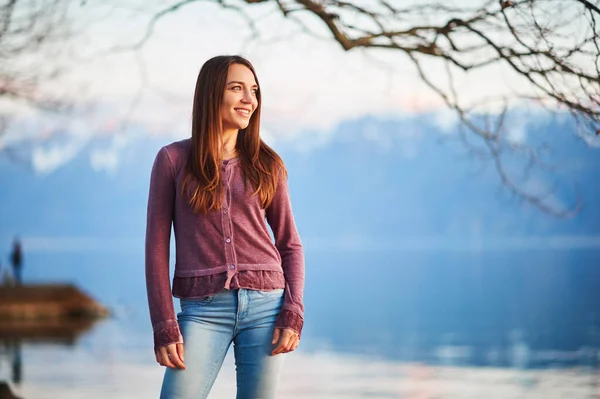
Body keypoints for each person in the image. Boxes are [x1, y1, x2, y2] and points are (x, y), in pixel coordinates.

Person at [145, 55, 305, 399]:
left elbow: (289, 244)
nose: (250, 99)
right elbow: (156, 249)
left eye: (254, 90)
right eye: (237, 88)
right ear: (211, 94)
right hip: (203, 310)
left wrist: (293, 311)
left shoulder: (268, 164)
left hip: (267, 306)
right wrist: (164, 325)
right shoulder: (173, 160)